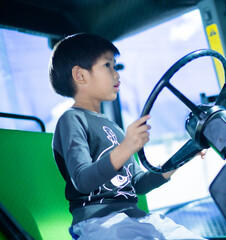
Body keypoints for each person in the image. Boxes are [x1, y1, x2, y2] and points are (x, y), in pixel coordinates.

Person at [49, 33, 205, 240]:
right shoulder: (71, 120)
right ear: (80, 75)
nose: (117, 74)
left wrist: (186, 153)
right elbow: (83, 181)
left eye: (115, 66)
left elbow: (138, 184)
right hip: (98, 222)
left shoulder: (115, 128)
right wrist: (126, 147)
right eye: (107, 66)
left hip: (135, 218)